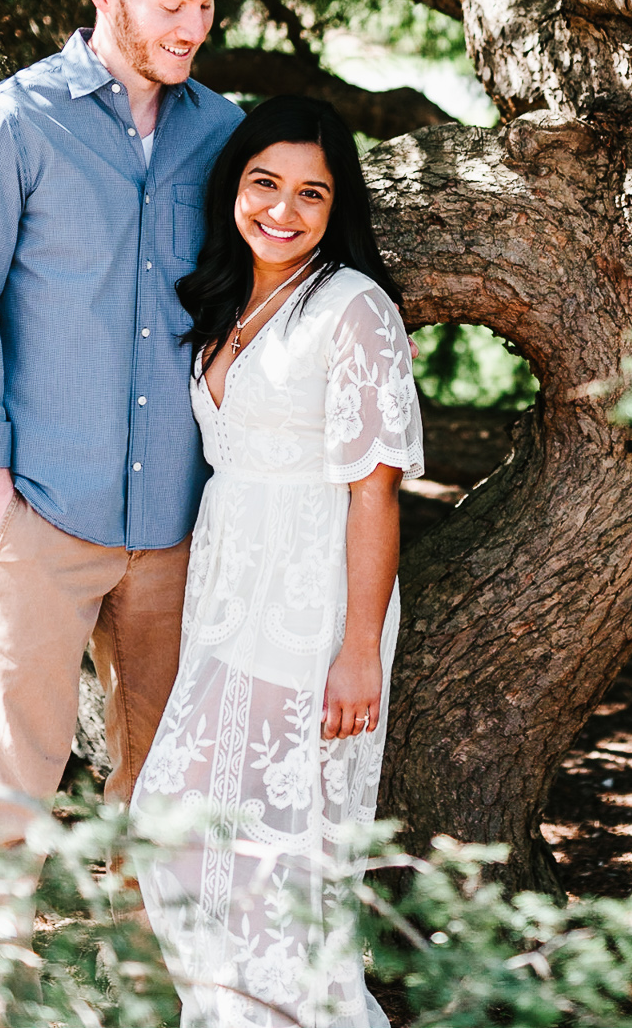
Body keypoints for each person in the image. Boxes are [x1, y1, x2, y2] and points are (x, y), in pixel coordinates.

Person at [0, 0, 247, 1028]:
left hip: (176, 527)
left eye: (206, 2)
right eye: (171, 1)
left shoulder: (223, 133)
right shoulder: (8, 126)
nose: (193, 24)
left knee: (160, 772)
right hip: (40, 518)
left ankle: (144, 991)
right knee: (11, 772)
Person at [133, 95, 424, 1028]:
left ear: (338, 206)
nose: (284, 210)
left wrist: (357, 648)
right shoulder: (232, 294)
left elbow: (375, 491)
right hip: (228, 598)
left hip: (312, 611)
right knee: (181, 823)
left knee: (281, 850)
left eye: (312, 192)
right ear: (235, 186)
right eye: (266, 183)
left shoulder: (354, 309)